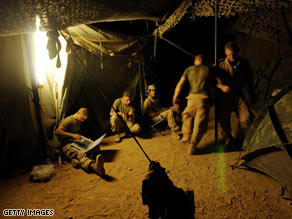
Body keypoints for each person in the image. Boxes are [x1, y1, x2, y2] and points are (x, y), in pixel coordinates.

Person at [172, 54, 214, 155]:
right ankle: (192, 145)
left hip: (191, 99)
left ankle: (186, 134)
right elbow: (216, 82)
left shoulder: (188, 69)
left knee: (187, 115)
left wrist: (175, 96)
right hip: (202, 99)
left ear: (195, 61)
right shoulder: (208, 69)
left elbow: (180, 84)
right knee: (200, 125)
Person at [216, 41, 255, 147]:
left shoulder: (243, 63)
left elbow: (249, 78)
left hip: (238, 94)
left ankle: (240, 139)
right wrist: (222, 86)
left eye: (234, 54)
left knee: (246, 117)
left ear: (238, 52)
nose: (232, 57)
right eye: (229, 55)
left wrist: (250, 93)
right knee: (223, 119)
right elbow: (212, 82)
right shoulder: (219, 64)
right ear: (225, 53)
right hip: (224, 96)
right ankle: (228, 139)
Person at [55, 108, 105, 176]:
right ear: (78, 113)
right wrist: (72, 135)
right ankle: (94, 167)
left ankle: (76, 160)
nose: (83, 120)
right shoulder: (69, 120)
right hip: (66, 144)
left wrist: (87, 141)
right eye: (82, 118)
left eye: (84, 119)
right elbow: (57, 132)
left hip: (75, 142)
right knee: (80, 153)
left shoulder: (79, 121)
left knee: (94, 147)